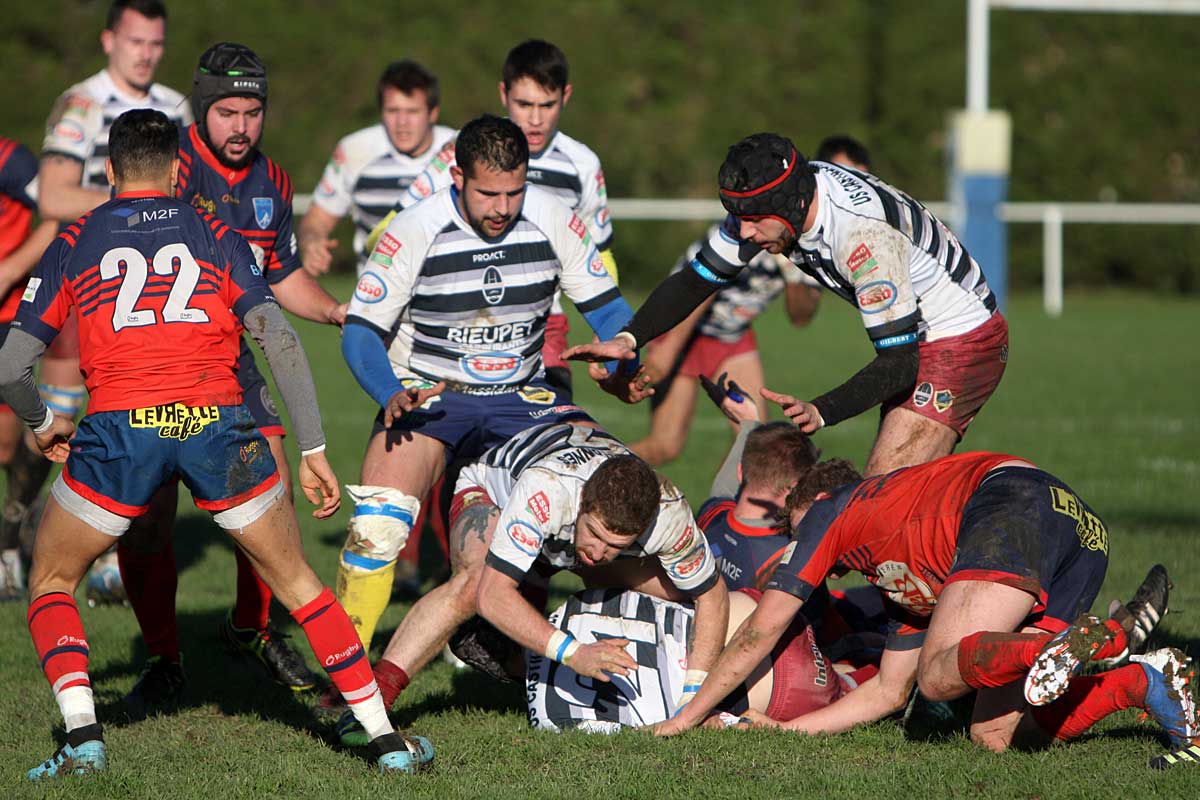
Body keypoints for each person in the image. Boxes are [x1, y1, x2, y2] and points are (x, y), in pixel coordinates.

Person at [0, 109, 431, 778]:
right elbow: (279, 338)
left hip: (121, 430)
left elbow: (8, 364)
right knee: (299, 585)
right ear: (178, 170)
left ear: (109, 172)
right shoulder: (215, 231)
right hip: (215, 425)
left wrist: (41, 421)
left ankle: (83, 741)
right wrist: (313, 447)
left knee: (52, 579)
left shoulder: (76, 238)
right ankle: (385, 743)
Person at [652, 452, 1193, 766]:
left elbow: (757, 633)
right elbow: (888, 692)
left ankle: (1066, 646)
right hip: (1079, 529)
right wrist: (785, 730)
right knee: (996, 736)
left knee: (937, 679)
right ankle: (1141, 681)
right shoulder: (898, 568)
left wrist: (687, 717)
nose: (820, 568)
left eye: (796, 534)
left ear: (813, 507)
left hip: (1013, 499)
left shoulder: (830, 512)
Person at [335, 114, 648, 655]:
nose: (503, 207)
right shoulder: (413, 228)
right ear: (457, 176)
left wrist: (621, 355)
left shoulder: (554, 218)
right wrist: (389, 392)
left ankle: (554, 644)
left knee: (611, 498)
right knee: (378, 527)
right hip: (430, 393)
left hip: (522, 399)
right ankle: (346, 672)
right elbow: (361, 334)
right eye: (488, 193)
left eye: (514, 191)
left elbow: (609, 311)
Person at [115, 42, 348, 706]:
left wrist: (334, 309)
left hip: (231, 362)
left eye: (253, 111)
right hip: (156, 366)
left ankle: (252, 627)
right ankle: (163, 656)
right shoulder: (169, 168)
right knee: (150, 518)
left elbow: (281, 277)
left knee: (275, 494)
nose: (241, 126)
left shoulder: (272, 182)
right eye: (227, 112)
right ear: (200, 109)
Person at [567, 132, 1009, 477]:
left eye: (753, 222)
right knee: (894, 498)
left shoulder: (863, 238)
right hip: (922, 339)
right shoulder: (774, 204)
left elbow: (899, 359)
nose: (742, 235)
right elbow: (697, 279)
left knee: (883, 495)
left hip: (961, 339)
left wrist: (824, 409)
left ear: (792, 206)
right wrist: (629, 338)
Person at [335, 420, 729, 742]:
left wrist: (694, 697)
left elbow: (712, 596)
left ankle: (513, 648)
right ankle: (371, 701)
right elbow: (492, 595)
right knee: (473, 586)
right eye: (595, 533)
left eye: (617, 545)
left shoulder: (669, 514)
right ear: (583, 504)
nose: (600, 551)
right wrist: (575, 654)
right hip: (493, 495)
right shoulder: (549, 490)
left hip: (562, 524)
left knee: (680, 590)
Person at [36, 0, 193, 605]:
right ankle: (25, 523)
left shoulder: (176, 107)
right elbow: (53, 195)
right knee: (60, 418)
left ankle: (109, 547)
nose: (146, 53)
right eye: (135, 41)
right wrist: (133, 209)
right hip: (90, 273)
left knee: (142, 409)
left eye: (155, 42)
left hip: (156, 281)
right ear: (109, 41)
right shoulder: (81, 104)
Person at [392, 39, 618, 399]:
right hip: (459, 320)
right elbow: (393, 229)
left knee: (551, 426)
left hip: (543, 322)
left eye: (548, 105)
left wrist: (604, 329)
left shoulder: (582, 163)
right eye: (524, 104)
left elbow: (600, 253)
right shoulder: (465, 151)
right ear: (503, 94)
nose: (536, 118)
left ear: (566, 96)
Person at [528, 586, 845, 732]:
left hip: (776, 687)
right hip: (755, 616)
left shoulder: (552, 720)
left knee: (850, 685)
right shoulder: (574, 604)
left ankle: (855, 660)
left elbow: (641, 739)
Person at [629, 231, 820, 466]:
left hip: (732, 337)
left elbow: (801, 316)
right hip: (685, 331)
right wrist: (669, 348)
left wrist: (792, 270)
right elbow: (699, 286)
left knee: (754, 441)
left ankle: (725, 503)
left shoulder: (812, 242)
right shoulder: (752, 229)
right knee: (664, 446)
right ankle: (594, 473)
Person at [300, 59, 456, 278]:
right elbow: (317, 218)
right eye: (393, 111)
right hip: (376, 295)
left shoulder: (458, 150)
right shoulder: (355, 150)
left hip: (443, 292)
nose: (402, 122)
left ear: (433, 113)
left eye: (412, 111)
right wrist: (312, 241)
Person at [0, 137, 59, 599]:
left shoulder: (10, 160)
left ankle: (14, 528)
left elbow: (56, 213)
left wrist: (10, 269)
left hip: (5, 317)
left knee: (5, 447)